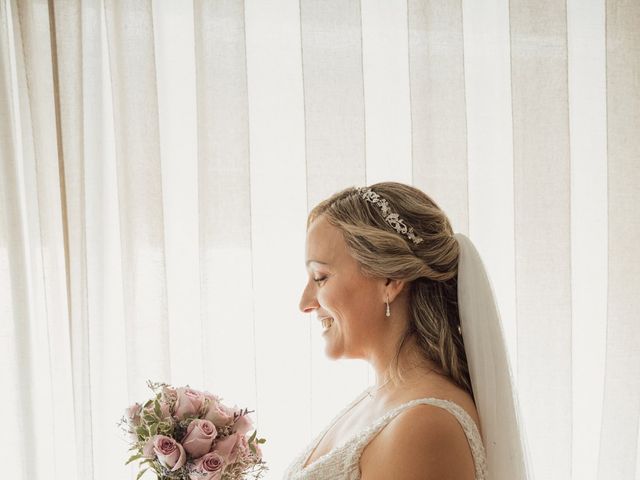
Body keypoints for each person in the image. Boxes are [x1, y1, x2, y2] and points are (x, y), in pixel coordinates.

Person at [283, 182, 532, 480]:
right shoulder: (379, 400)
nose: (305, 303)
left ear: (390, 279)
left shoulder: (424, 425)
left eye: (320, 277)